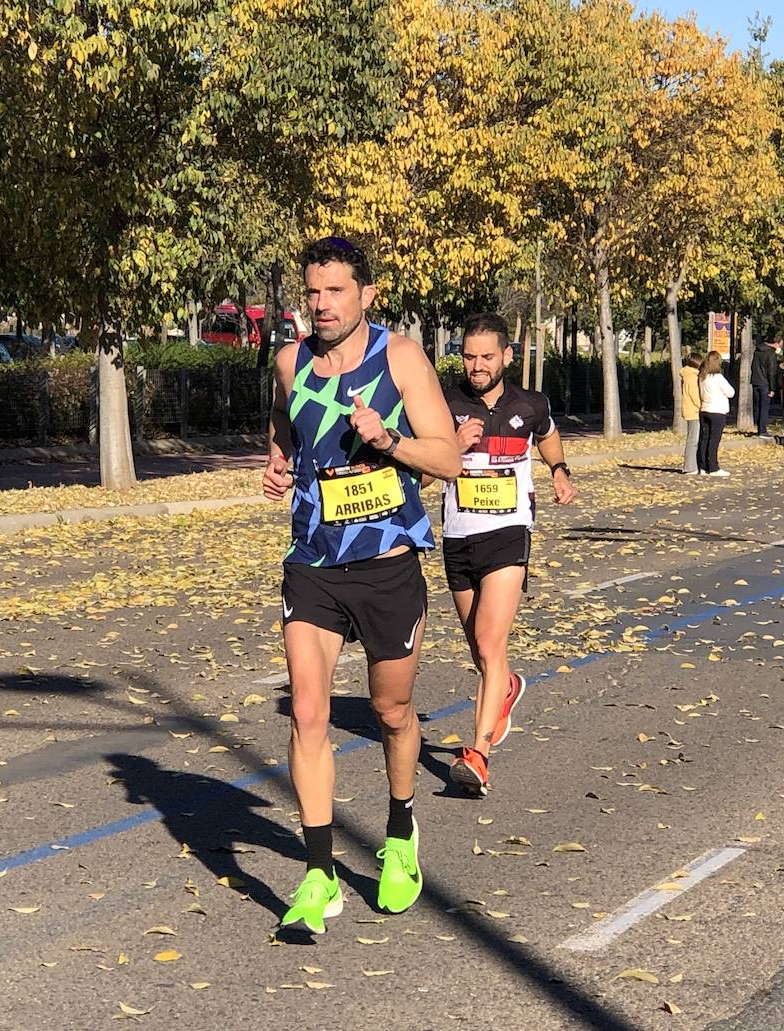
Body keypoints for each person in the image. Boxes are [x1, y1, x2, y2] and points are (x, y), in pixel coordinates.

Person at [262, 237, 461, 934]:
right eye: (312, 292)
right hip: (313, 559)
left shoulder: (400, 358)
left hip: (387, 562)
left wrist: (389, 442)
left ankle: (400, 831)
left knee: (391, 711)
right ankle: (319, 874)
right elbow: (286, 425)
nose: (320, 305)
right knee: (308, 711)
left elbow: (449, 459)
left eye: (334, 291)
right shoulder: (291, 361)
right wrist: (278, 463)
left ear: (366, 295)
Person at [438, 313, 577, 797]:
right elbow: (427, 463)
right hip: (457, 537)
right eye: (470, 357)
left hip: (508, 532)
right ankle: (508, 687)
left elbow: (549, 433)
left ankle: (477, 754)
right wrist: (452, 447)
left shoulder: (530, 404)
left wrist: (558, 469)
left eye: (487, 357)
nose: (477, 366)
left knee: (489, 640)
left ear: (507, 357)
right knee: (480, 651)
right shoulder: (444, 400)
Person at [696, 350, 735, 476]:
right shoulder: (718, 377)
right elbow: (730, 392)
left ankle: (702, 466)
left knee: (704, 438)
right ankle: (713, 467)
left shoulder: (702, 376)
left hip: (705, 409)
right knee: (714, 440)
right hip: (717, 410)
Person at [750, 338, 779, 439]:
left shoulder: (757, 352)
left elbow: (752, 366)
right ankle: (762, 431)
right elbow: (771, 372)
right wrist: (772, 388)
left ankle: (759, 428)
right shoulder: (771, 354)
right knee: (764, 407)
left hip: (755, 381)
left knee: (758, 406)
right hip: (765, 383)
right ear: (776, 343)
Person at [680, 352, 703, 474]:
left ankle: (692, 465)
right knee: (693, 440)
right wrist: (702, 406)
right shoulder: (692, 377)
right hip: (694, 411)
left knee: (694, 439)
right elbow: (695, 396)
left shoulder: (687, 375)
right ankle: (689, 466)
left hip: (690, 410)